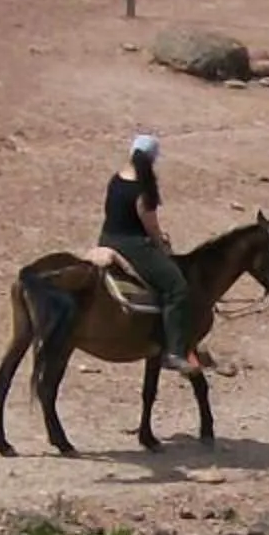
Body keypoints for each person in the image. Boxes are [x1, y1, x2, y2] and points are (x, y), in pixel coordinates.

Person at [98, 134, 201, 374]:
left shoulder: (116, 179)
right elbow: (150, 226)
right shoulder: (143, 188)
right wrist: (162, 244)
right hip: (132, 246)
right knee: (177, 287)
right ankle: (174, 352)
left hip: (107, 238)